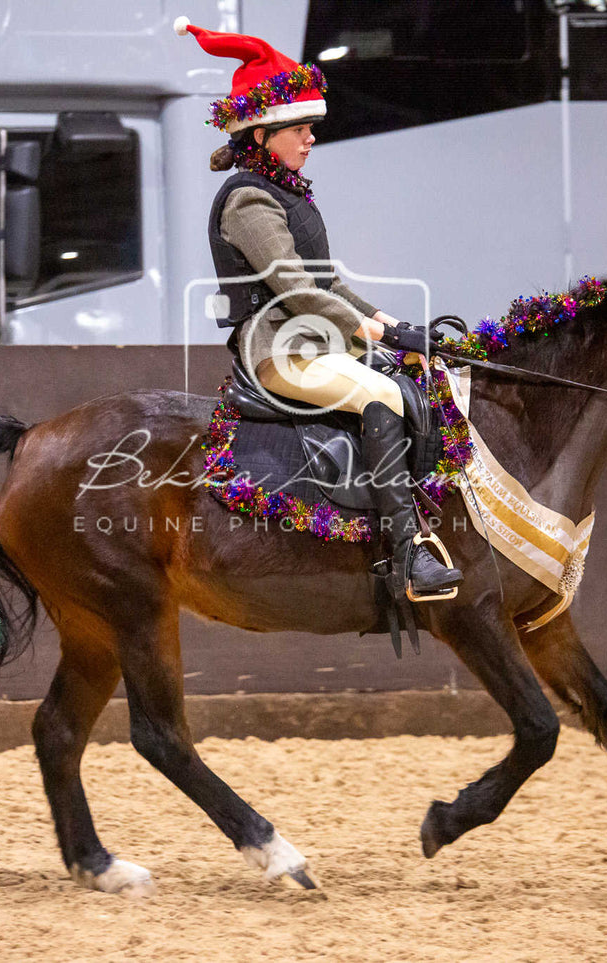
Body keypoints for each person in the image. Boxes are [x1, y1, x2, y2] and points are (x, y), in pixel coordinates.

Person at [177, 18, 462, 600]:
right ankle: (406, 556)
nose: (310, 138)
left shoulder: (290, 195)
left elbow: (331, 284)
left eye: (310, 128)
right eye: (300, 129)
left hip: (315, 339)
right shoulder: (249, 199)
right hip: (279, 350)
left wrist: (398, 327)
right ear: (260, 135)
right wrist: (372, 330)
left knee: (414, 381)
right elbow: (295, 292)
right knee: (381, 396)